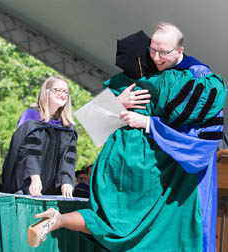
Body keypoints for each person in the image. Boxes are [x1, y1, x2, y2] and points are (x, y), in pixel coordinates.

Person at [28, 23, 226, 251]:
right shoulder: (168, 81)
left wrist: (121, 108)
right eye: (153, 51)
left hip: (116, 168)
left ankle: (60, 219)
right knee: (164, 230)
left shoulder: (124, 84)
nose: (157, 57)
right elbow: (209, 104)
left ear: (179, 51)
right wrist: (137, 115)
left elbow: (91, 123)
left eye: (163, 52)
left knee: (111, 223)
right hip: (156, 170)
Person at [1, 75, 78, 198]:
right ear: (46, 92)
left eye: (65, 92)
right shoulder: (31, 117)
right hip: (26, 186)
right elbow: (29, 151)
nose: (62, 94)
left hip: (52, 190)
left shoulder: (67, 127)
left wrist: (67, 181)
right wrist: (34, 176)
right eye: (57, 90)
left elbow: (68, 158)